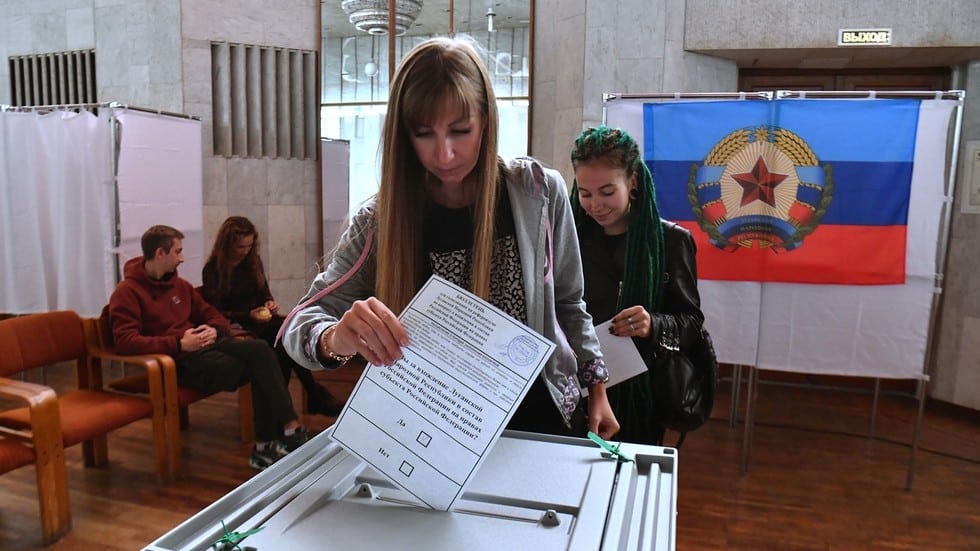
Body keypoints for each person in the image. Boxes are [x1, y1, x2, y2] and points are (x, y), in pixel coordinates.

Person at [280, 36, 619, 440]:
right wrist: (336, 337)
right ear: (403, 136)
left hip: (540, 416)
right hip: (435, 431)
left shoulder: (539, 191)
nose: (444, 154)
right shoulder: (380, 220)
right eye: (424, 134)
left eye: (460, 131)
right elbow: (299, 326)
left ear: (487, 121)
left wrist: (597, 389)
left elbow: (568, 302)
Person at [108, 224, 310, 470]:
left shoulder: (179, 286)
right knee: (258, 365)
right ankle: (275, 440)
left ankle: (286, 432)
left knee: (261, 350)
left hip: (208, 345)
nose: (182, 258)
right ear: (160, 254)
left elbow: (213, 315)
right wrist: (178, 343)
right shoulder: (127, 292)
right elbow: (125, 341)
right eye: (178, 252)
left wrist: (214, 329)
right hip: (177, 360)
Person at [569, 125, 706, 445]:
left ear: (632, 182)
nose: (595, 205)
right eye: (585, 194)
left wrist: (652, 323)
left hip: (640, 394)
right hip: (575, 389)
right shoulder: (571, 237)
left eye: (606, 192)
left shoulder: (671, 242)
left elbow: (692, 324)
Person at [201, 216, 345, 417]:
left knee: (287, 334)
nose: (245, 251)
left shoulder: (252, 261)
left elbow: (264, 292)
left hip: (262, 320)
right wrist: (248, 315)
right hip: (237, 324)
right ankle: (312, 395)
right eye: (240, 247)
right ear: (227, 245)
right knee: (283, 337)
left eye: (249, 246)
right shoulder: (212, 270)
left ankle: (283, 407)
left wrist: (269, 302)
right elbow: (216, 312)